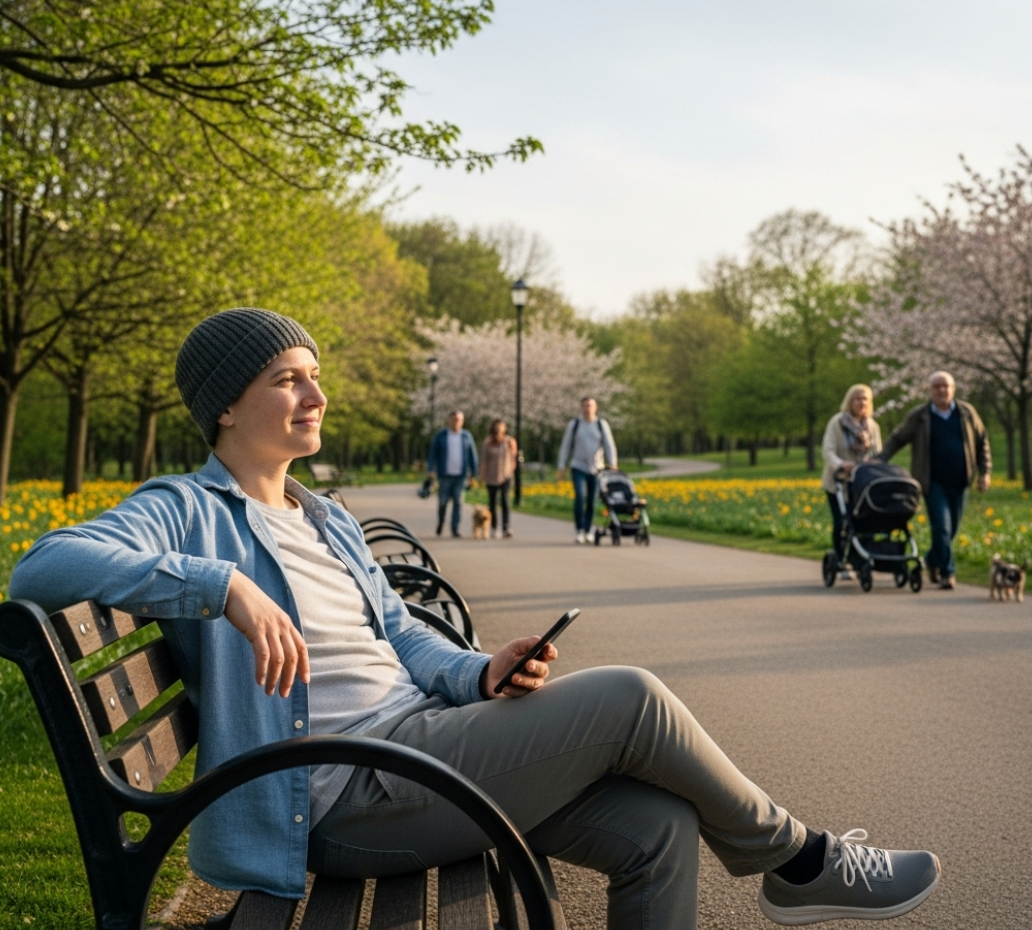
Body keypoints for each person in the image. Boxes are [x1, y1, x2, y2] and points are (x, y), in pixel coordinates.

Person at [10, 308, 941, 930]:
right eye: (290, 379)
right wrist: (224, 588)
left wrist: (477, 672)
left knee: (656, 823)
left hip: (421, 745)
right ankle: (798, 858)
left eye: (315, 375)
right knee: (632, 699)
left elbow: (399, 638)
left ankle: (791, 860)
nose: (317, 395)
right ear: (225, 403)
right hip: (339, 796)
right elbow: (41, 565)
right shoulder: (188, 509)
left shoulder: (322, 515)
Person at [876, 371, 991, 590]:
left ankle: (931, 560)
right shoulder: (920, 416)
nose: (942, 390)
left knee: (952, 530)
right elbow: (898, 438)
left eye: (946, 386)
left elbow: (981, 441)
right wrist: (880, 460)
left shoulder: (967, 413)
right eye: (937, 386)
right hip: (932, 482)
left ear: (953, 389)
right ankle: (948, 573)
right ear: (930, 390)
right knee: (942, 528)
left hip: (960, 481)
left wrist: (985, 473)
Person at [821, 385, 883, 580]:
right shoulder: (837, 423)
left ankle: (860, 560)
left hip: (863, 484)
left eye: (865, 399)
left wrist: (872, 466)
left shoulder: (872, 426)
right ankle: (840, 560)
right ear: (849, 401)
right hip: (839, 483)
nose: (861, 402)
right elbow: (828, 451)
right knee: (841, 523)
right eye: (857, 398)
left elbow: (878, 453)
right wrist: (841, 464)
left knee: (863, 523)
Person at [556, 397, 617, 544]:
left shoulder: (601, 425)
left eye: (590, 405)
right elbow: (566, 445)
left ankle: (588, 529)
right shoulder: (575, 424)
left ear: (595, 407)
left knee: (591, 500)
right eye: (584, 406)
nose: (587, 408)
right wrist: (561, 466)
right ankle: (579, 530)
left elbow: (609, 444)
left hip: (597, 468)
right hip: (578, 466)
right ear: (581, 408)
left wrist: (612, 463)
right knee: (580, 497)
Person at [427, 410, 478, 537]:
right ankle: (441, 522)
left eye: (459, 420)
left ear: (462, 421)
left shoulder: (466, 436)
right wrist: (430, 470)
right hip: (444, 474)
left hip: (461, 475)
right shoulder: (441, 435)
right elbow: (433, 454)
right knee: (443, 501)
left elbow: (473, 454)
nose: (456, 422)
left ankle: (455, 529)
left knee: (458, 502)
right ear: (449, 421)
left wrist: (474, 473)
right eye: (454, 419)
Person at [480, 418, 517, 538]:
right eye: (497, 426)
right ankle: (493, 526)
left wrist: (512, 469)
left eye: (501, 426)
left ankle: (506, 527)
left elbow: (514, 457)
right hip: (491, 475)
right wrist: (482, 475)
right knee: (492, 502)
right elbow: (483, 459)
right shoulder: (488, 442)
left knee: (505, 500)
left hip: (506, 475)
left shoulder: (509, 441)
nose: (499, 429)